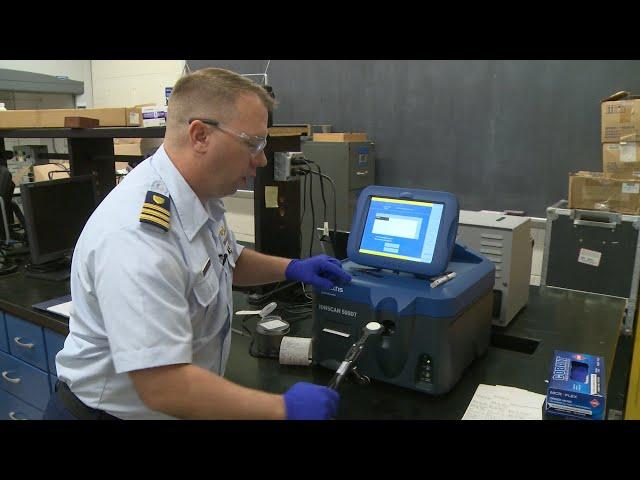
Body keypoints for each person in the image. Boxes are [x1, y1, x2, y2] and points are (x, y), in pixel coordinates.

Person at [43, 67, 351, 420]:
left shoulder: (198, 195)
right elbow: (163, 386)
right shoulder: (137, 237)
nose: (262, 159)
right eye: (252, 143)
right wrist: (281, 408)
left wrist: (293, 268)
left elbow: (225, 259)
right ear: (200, 135)